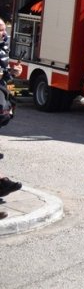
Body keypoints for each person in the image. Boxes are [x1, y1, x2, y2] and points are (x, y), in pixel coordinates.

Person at [0, 18, 23, 210]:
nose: (3, 34)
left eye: (3, 31)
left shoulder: (3, 47)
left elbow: (4, 73)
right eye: (0, 31)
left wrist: (12, 73)